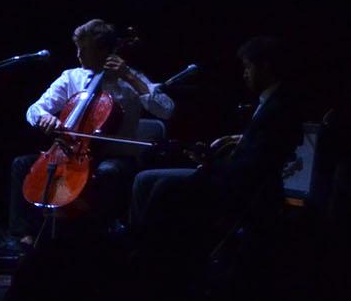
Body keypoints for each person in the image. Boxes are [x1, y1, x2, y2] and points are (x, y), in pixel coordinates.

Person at [9, 19, 174, 240]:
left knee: (107, 172)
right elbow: (34, 109)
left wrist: (132, 79)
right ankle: (21, 237)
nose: (78, 55)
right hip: (71, 152)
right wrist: (45, 117)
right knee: (21, 164)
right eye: (78, 48)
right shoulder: (72, 77)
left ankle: (98, 237)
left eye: (84, 50)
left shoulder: (130, 78)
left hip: (116, 157)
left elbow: (166, 110)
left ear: (104, 50)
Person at [130, 36, 304, 240]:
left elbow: (253, 167)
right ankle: (137, 239)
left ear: (265, 67)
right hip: (230, 177)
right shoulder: (270, 103)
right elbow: (256, 147)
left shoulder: (278, 109)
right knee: (145, 179)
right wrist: (231, 143)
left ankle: (144, 247)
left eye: (248, 67)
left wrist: (211, 162)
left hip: (238, 188)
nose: (245, 74)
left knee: (162, 186)